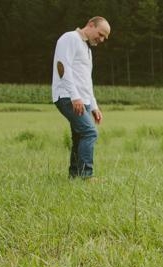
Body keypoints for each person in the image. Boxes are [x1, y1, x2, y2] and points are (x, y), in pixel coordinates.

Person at [52, 16, 110, 179]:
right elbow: (62, 68)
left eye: (105, 37)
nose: (102, 39)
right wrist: (75, 97)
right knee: (90, 133)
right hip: (67, 96)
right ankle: (86, 175)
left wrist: (93, 106)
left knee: (79, 136)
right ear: (91, 25)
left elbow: (86, 81)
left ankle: (75, 176)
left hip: (80, 99)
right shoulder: (70, 38)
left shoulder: (87, 49)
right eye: (100, 34)